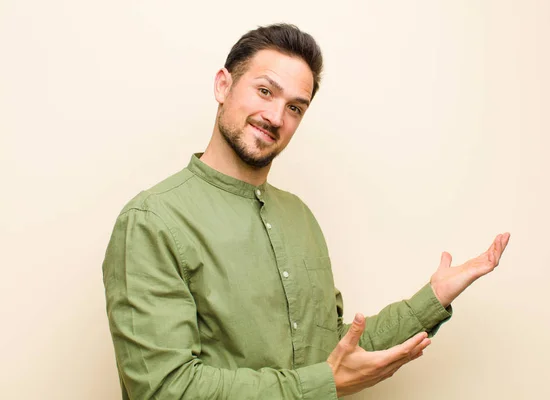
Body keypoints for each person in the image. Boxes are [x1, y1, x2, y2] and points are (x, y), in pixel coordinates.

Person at [102, 23, 510, 400]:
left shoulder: (299, 217)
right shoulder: (151, 221)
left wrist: (432, 298)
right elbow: (164, 389)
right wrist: (320, 384)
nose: (276, 117)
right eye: (265, 91)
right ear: (223, 85)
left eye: (296, 107)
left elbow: (333, 357)